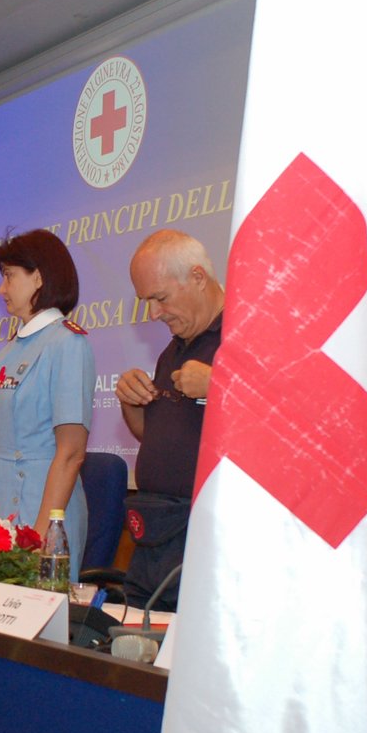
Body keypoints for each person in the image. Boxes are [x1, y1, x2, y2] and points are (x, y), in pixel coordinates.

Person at [115, 229, 225, 610]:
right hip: (155, 535)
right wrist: (132, 404)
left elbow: (290, 419)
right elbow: (157, 437)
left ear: (197, 277)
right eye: (147, 301)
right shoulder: (172, 350)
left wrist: (221, 385)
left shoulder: (251, 335)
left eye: (160, 298)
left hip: (212, 538)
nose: (154, 313)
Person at [0, 230, 95, 566]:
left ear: (38, 277)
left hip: (39, 510)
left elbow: (70, 453)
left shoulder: (68, 343)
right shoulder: (9, 349)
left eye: (9, 276)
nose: (1, 289)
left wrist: (41, 536)